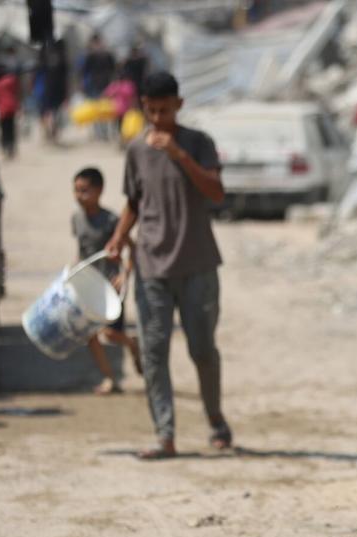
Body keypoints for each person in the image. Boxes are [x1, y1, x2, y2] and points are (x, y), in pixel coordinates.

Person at [104, 71, 230, 459]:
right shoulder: (137, 150)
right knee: (154, 352)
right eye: (152, 111)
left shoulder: (198, 143)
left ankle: (215, 421)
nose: (158, 119)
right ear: (143, 107)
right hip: (151, 267)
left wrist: (179, 155)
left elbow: (216, 192)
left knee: (202, 350)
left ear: (179, 105)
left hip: (197, 266)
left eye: (165, 110)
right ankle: (165, 435)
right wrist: (119, 236)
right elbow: (135, 203)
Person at [72, 166, 142, 394]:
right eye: (76, 191)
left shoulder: (112, 220)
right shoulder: (77, 219)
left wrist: (125, 275)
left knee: (110, 334)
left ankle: (132, 343)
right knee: (90, 335)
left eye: (85, 191)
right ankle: (110, 379)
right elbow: (81, 251)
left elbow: (133, 250)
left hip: (111, 286)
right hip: (87, 285)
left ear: (99, 190)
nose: (79, 196)